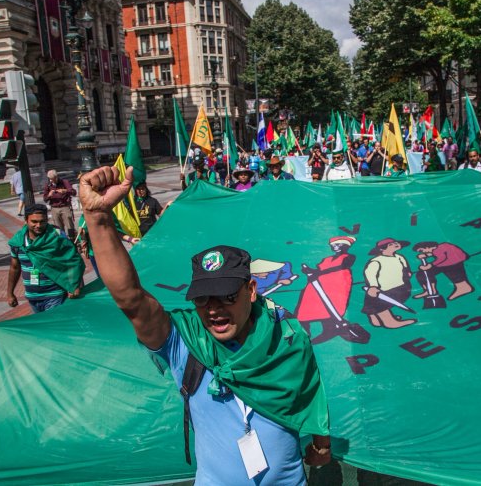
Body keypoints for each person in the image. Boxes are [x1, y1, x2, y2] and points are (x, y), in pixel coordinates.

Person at [78, 165, 332, 484]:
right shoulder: (186, 343)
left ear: (251, 290)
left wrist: (321, 443)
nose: (213, 309)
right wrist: (97, 217)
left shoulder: (285, 337)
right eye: (202, 299)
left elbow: (310, 390)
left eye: (226, 296)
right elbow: (130, 298)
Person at [7, 204, 85, 313]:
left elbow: (73, 260)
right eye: (34, 222)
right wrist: (10, 293)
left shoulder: (57, 236)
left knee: (55, 323)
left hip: (55, 295)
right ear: (26, 220)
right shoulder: (18, 242)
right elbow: (14, 268)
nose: (38, 225)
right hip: (32, 297)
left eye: (42, 221)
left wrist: (74, 285)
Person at [362, 238, 416, 329]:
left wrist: (407, 272)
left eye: (396, 243)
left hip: (399, 286)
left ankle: (378, 320)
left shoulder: (399, 257)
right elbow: (370, 274)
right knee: (376, 302)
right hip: (382, 288)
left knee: (381, 301)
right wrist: (373, 286)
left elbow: (405, 267)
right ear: (382, 249)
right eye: (391, 244)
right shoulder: (376, 261)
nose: (395, 244)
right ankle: (388, 322)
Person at [43, 169, 77, 240]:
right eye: (50, 179)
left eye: (52, 179)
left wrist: (65, 191)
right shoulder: (48, 185)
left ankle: (72, 239)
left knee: (69, 223)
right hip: (54, 208)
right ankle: (62, 240)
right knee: (58, 227)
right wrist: (49, 195)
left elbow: (74, 192)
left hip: (65, 206)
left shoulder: (64, 182)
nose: (51, 181)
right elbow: (45, 199)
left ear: (56, 177)